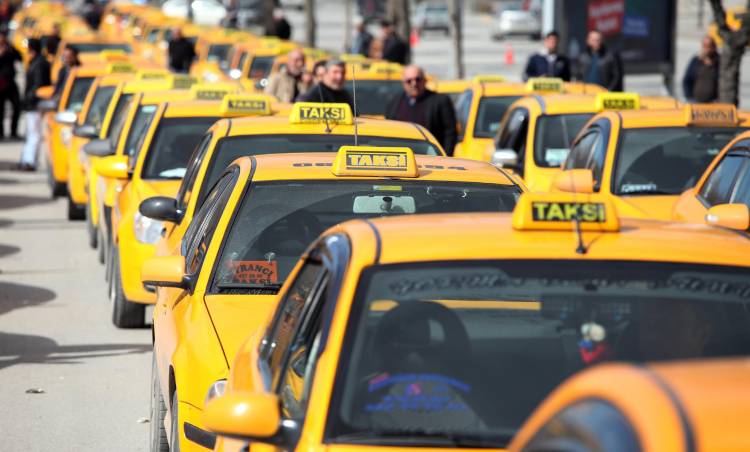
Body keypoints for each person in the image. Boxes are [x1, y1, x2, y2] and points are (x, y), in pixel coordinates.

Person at [385, 65, 457, 155]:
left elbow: (450, 133)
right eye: (409, 81)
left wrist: (445, 157)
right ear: (403, 83)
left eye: (418, 79)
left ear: (424, 80)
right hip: (401, 157)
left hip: (431, 157)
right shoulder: (395, 102)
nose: (414, 83)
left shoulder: (440, 101)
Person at [20, 39, 51, 171]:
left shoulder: (40, 63)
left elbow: (38, 85)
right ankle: (27, 160)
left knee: (34, 134)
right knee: (31, 133)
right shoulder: (35, 61)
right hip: (32, 104)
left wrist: (29, 98)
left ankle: (30, 162)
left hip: (36, 104)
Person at [683, 35, 719, 103]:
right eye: (705, 46)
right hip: (696, 101)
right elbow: (687, 80)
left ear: (714, 47)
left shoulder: (719, 62)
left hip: (713, 102)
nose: (707, 49)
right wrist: (689, 96)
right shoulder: (696, 60)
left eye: (709, 46)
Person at [0, 32, 21, 139]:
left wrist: (11, 48)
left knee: (17, 106)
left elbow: (19, 57)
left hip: (10, 82)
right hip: (0, 83)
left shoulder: (9, 49)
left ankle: (13, 131)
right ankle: (1, 132)